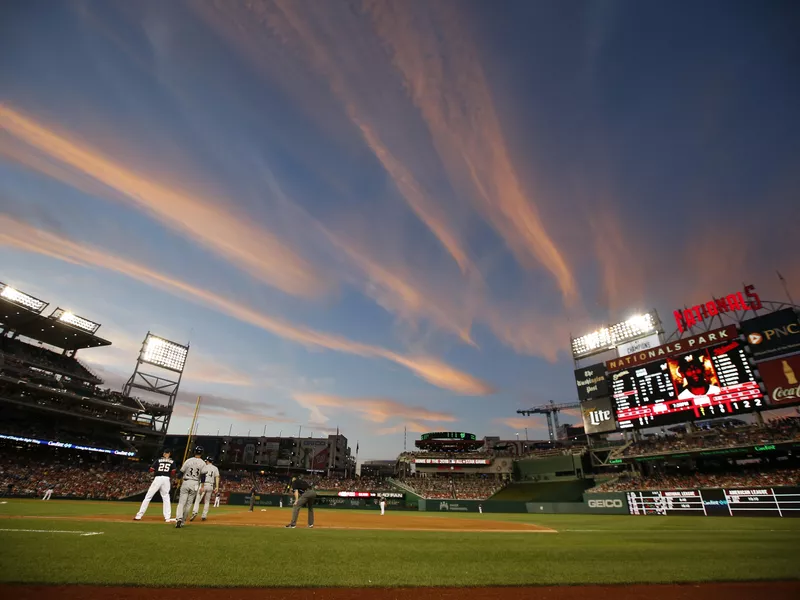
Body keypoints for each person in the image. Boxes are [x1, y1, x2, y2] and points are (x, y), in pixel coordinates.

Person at [134, 448, 177, 522]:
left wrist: (157, 471)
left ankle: (139, 516)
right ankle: (167, 518)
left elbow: (151, 469)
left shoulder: (158, 460)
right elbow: (173, 472)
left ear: (164, 454)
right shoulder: (172, 462)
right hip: (166, 479)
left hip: (158, 478)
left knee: (148, 497)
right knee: (166, 498)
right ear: (169, 454)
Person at [175, 446, 206, 529]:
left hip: (186, 481)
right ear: (202, 453)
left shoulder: (188, 460)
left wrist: (177, 480)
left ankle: (179, 518)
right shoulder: (203, 463)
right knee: (189, 504)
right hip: (195, 483)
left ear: (194, 452)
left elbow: (181, 472)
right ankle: (183, 521)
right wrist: (202, 486)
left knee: (181, 502)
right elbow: (203, 476)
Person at [191, 456, 220, 521]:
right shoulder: (215, 468)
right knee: (207, 502)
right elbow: (217, 477)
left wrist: (201, 486)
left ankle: (194, 512)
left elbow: (200, 476)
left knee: (197, 500)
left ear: (207, 461)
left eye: (206, 461)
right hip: (211, 485)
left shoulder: (203, 466)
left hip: (203, 484)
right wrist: (217, 487)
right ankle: (204, 516)